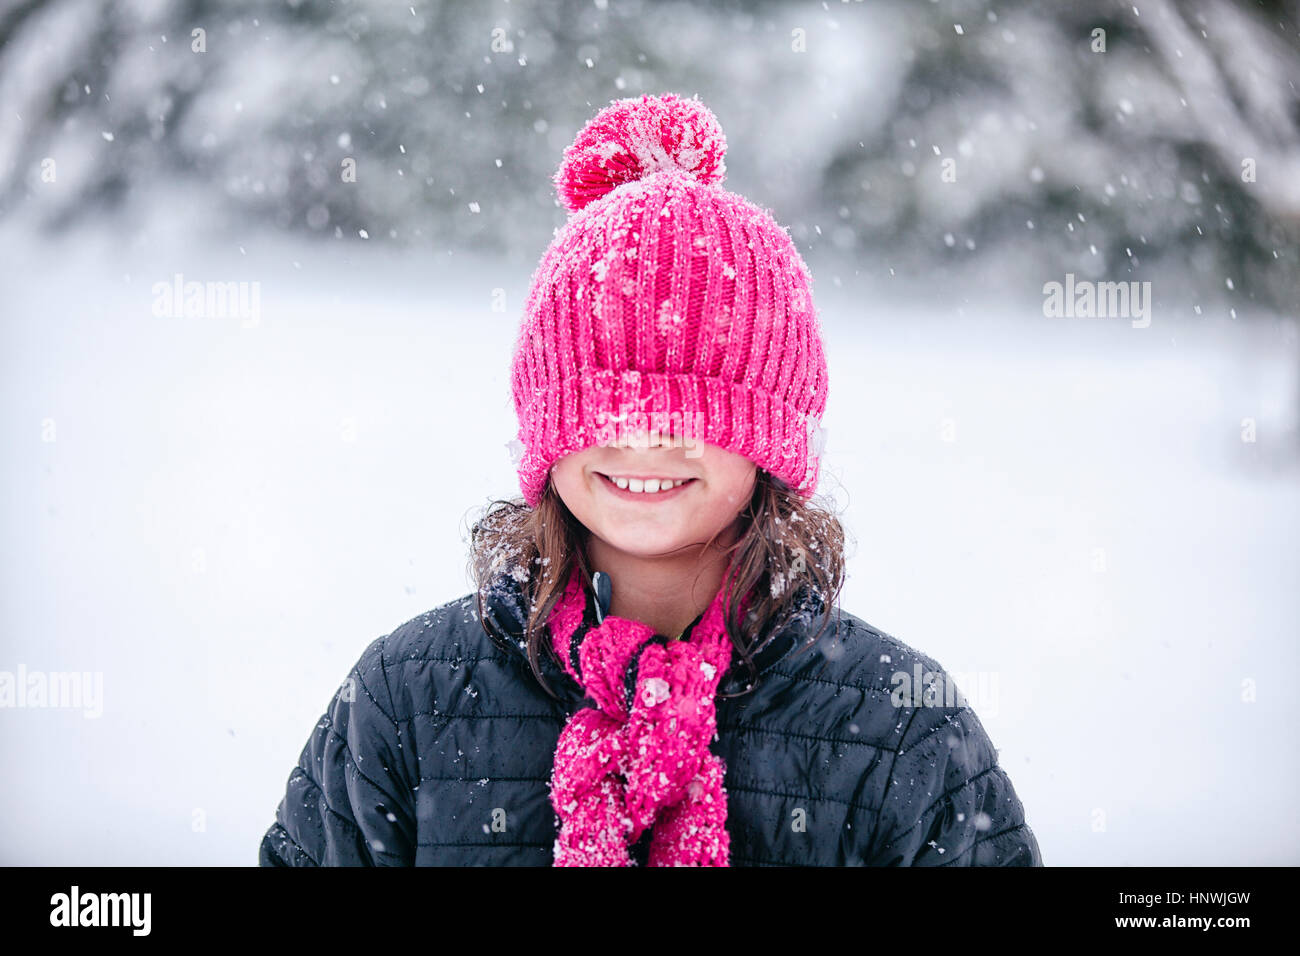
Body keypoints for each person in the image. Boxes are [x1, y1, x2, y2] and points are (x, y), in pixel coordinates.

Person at [258, 92, 1043, 867]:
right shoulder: (406, 699)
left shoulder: (900, 726)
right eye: (600, 405)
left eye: (694, 410)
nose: (642, 439)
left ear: (768, 441)